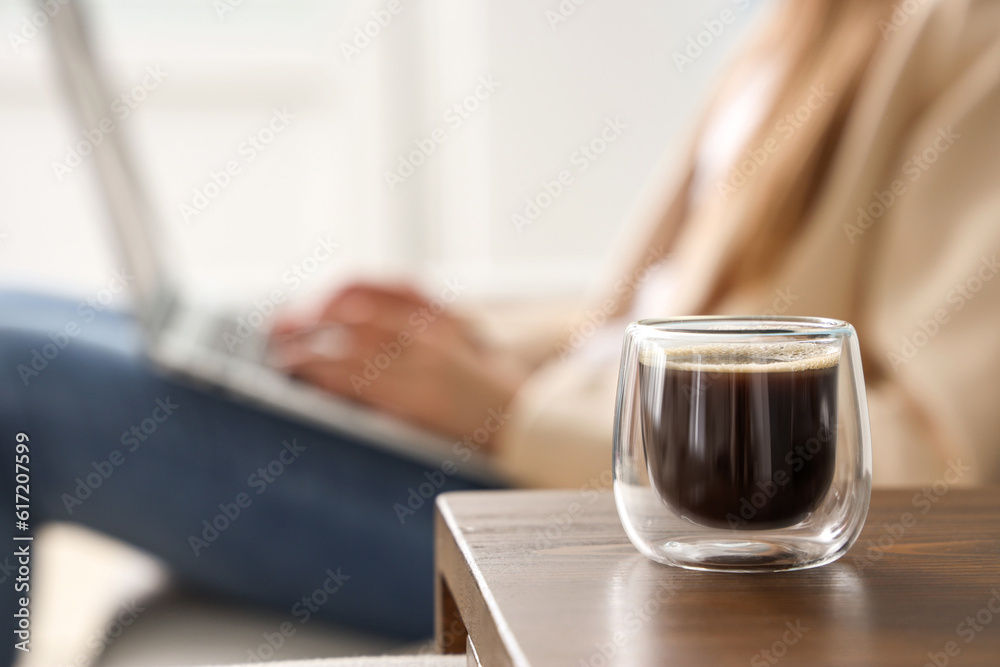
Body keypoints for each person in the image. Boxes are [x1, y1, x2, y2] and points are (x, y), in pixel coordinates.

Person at [3, 0, 999, 663]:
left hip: (573, 509)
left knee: (15, 372)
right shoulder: (812, 24)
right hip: (559, 453)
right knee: (20, 317)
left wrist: (508, 412)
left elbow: (943, 463)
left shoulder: (967, 28)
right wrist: (452, 338)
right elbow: (661, 308)